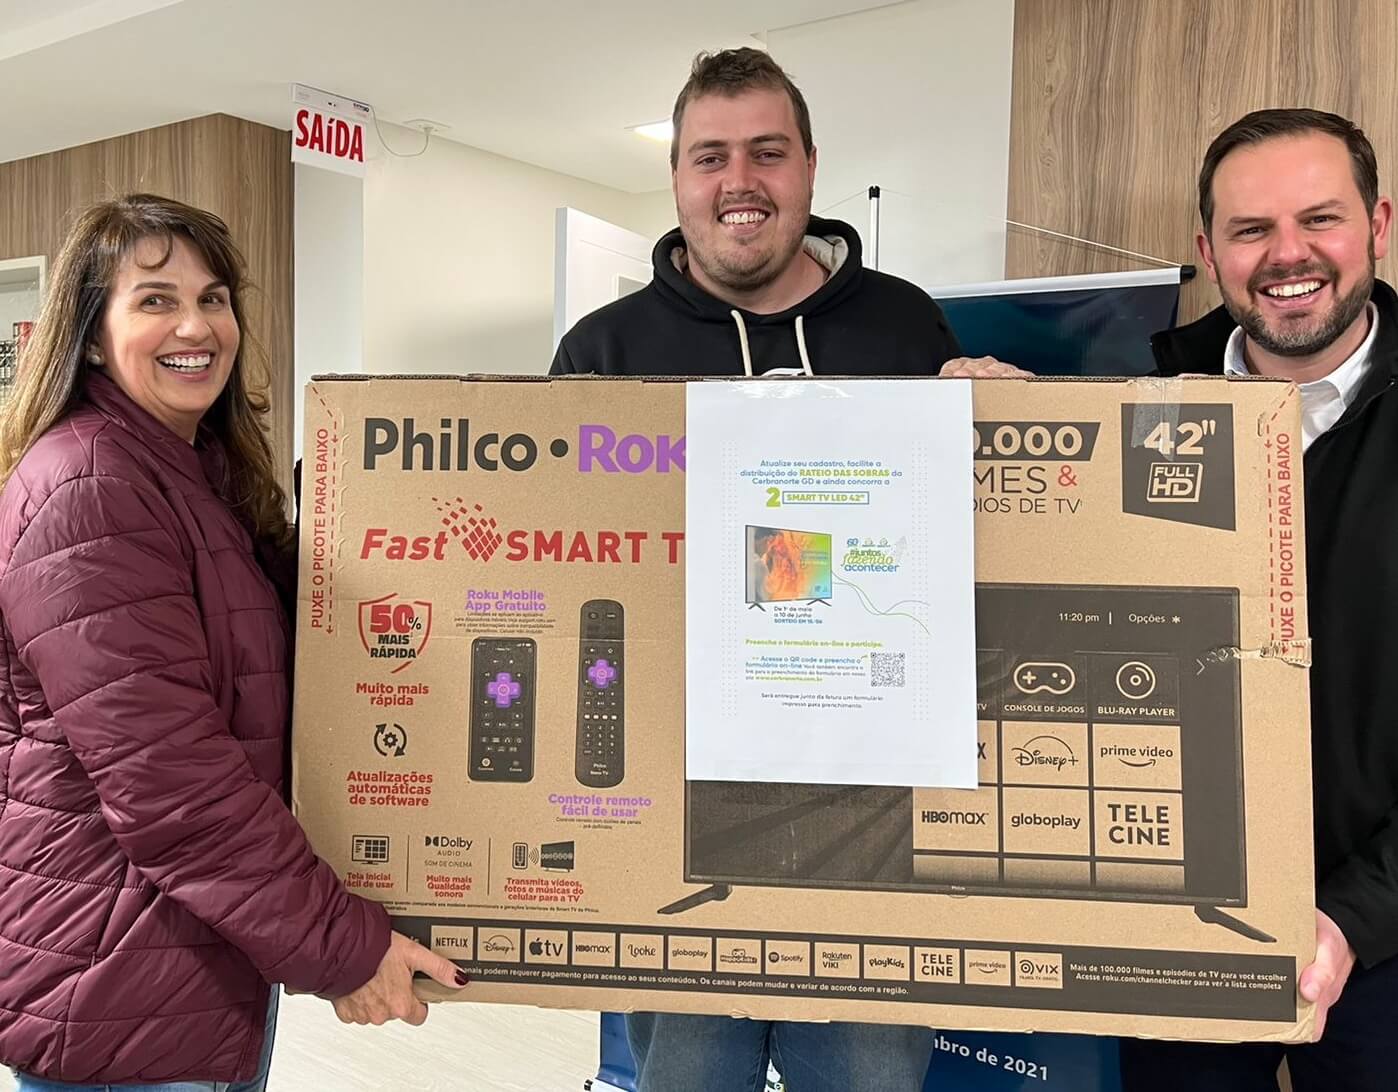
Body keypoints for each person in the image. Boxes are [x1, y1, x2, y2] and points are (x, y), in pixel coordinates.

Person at [552, 47, 1021, 1092]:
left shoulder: (902, 322)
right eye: (710, 156)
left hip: (875, 825)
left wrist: (1006, 424)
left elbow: (962, 543)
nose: (740, 181)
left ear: (810, 167)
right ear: (677, 177)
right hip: (676, 827)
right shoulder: (600, 352)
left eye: (767, 152)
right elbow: (560, 571)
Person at [0, 194, 465, 1091]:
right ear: (90, 337)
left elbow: (262, 672)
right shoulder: (90, 489)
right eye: (156, 300)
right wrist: (343, 945)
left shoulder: (190, 476)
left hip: (181, 963)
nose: (196, 326)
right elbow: (172, 783)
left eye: (213, 298)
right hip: (118, 984)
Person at [1129, 109, 1396, 1090]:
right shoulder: (1133, 411)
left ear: (1377, 224)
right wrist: (970, 413)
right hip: (1175, 927)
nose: (1289, 255)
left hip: (1388, 939)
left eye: (1320, 218)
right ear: (1208, 252)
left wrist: (1357, 917)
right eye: (1251, 230)